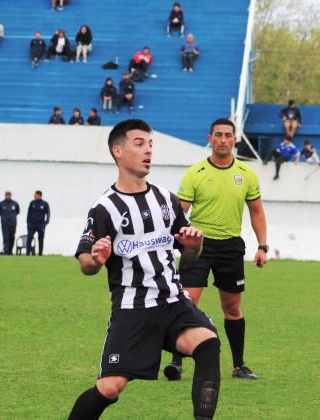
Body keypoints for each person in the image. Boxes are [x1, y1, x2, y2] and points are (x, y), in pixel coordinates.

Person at [67, 119, 220, 419]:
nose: (148, 150)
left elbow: (190, 256)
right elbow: (85, 262)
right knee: (111, 387)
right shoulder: (105, 207)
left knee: (208, 344)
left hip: (172, 301)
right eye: (139, 143)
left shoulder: (166, 199)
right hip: (132, 308)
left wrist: (193, 243)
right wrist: (96, 259)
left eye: (150, 144)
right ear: (118, 151)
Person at [163, 118, 266, 383]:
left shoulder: (247, 173)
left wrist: (262, 246)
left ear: (234, 140)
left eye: (227, 135)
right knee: (187, 302)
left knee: (232, 308)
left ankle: (238, 365)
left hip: (231, 247)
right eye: (218, 135)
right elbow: (179, 214)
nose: (222, 139)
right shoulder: (195, 173)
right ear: (210, 138)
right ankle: (176, 362)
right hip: (198, 246)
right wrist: (175, 242)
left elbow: (257, 212)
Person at [25, 191, 50, 256]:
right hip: (31, 224)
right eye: (34, 195)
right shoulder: (32, 203)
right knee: (29, 238)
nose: (34, 196)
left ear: (40, 195)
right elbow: (29, 212)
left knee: (40, 239)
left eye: (35, 195)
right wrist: (28, 222)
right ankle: (28, 253)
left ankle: (40, 254)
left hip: (41, 225)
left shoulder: (45, 204)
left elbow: (48, 213)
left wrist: (46, 222)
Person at [0, 191, 20, 255]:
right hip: (4, 224)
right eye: (7, 195)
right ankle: (6, 252)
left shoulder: (15, 203)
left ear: (11, 195)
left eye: (9, 195)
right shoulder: (1, 204)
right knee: (6, 238)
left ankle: (10, 251)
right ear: (5, 196)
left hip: (13, 224)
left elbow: (17, 212)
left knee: (12, 237)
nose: (8, 196)